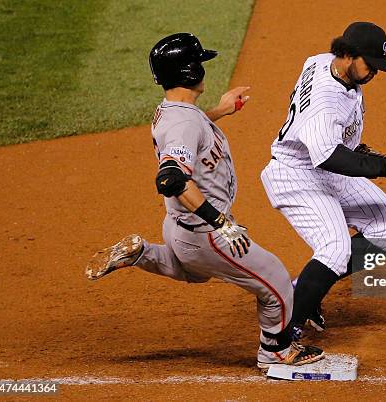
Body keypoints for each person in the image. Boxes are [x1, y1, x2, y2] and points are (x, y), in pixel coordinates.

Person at [85, 32, 324, 369]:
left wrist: (221, 110)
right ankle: (276, 351)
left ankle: (143, 253)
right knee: (277, 282)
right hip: (205, 232)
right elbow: (171, 179)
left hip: (178, 229)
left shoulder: (174, 112)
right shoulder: (183, 121)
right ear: (190, 72)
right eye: (199, 63)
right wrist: (221, 222)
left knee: (195, 271)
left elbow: (189, 133)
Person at [260, 22, 386, 339]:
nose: (374, 73)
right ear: (346, 55)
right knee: (336, 248)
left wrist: (359, 151)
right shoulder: (325, 103)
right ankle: (283, 335)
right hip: (298, 174)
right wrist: (382, 168)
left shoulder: (322, 62)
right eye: (370, 64)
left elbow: (334, 149)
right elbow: (328, 155)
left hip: (326, 167)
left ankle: (306, 289)